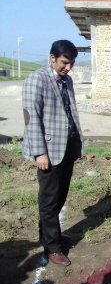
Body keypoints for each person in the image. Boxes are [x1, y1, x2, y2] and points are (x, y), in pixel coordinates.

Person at [22, 40, 83, 266]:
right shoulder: (36, 79)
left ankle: (49, 235)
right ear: (52, 58)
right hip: (47, 151)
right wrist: (39, 153)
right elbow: (31, 118)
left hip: (66, 148)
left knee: (60, 196)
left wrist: (77, 145)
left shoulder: (67, 81)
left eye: (72, 64)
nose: (68, 68)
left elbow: (70, 114)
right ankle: (52, 248)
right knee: (49, 199)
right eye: (65, 63)